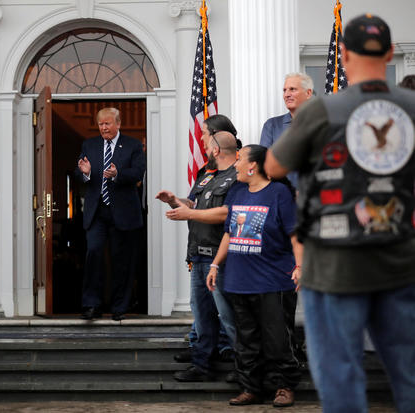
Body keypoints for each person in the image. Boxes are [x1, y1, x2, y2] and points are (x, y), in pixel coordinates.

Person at [265, 14, 415, 413]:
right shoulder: (412, 108)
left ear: (343, 54)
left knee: (341, 379)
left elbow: (275, 166)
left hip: (333, 265)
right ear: (389, 53)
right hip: (400, 261)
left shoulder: (322, 111)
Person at [206, 144, 302, 407]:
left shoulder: (279, 193)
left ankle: (283, 386)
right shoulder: (237, 192)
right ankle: (250, 387)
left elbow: (295, 234)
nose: (235, 164)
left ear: (253, 166)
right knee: (246, 340)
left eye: (240, 160)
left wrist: (300, 266)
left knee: (277, 339)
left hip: (273, 281)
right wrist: (215, 265)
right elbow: (228, 233)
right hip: (240, 280)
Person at [156, 120, 239, 382]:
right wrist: (174, 200)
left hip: (220, 257)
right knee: (201, 313)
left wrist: (190, 212)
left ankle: (244, 365)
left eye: (204, 138)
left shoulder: (237, 176)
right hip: (198, 254)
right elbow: (194, 202)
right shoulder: (207, 174)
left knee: (229, 315)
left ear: (216, 148)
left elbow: (228, 213)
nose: (201, 141)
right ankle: (201, 365)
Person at [76, 107, 145, 321]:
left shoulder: (133, 145)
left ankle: (119, 307)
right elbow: (79, 172)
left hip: (123, 213)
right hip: (97, 212)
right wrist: (85, 174)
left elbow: (138, 172)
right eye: (100, 124)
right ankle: (91, 305)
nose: (103, 127)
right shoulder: (90, 144)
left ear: (118, 123)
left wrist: (118, 175)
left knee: (120, 260)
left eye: (107, 123)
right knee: (94, 254)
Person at [259, 73, 314, 188]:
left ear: (308, 93)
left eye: (292, 89)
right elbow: (264, 164)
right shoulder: (272, 125)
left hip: (313, 194)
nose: (287, 95)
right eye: (284, 90)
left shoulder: (321, 123)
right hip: (281, 194)